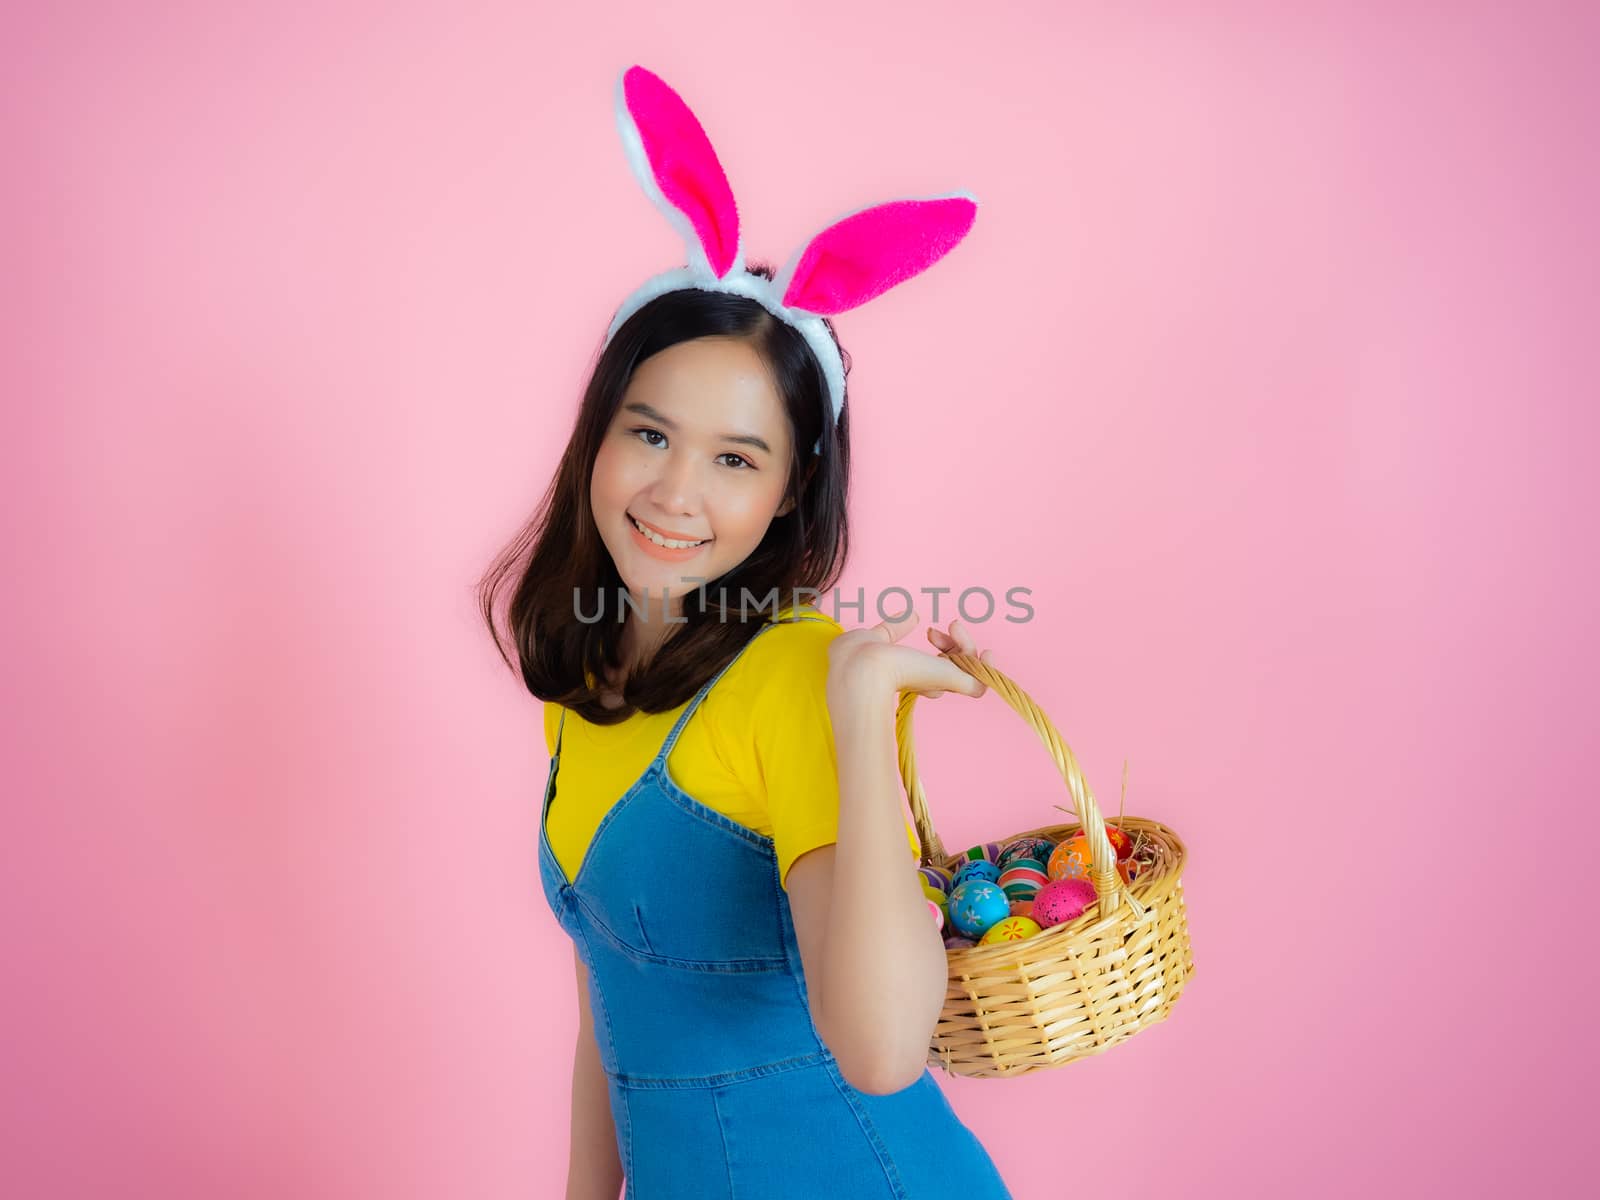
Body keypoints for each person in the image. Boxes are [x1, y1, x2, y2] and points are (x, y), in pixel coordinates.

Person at [478, 65, 1013, 1199]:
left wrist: (861, 705)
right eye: (650, 434)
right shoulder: (588, 675)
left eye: (734, 458)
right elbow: (612, 1007)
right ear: (597, 437)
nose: (676, 493)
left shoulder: (798, 681)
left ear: (786, 491)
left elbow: (878, 1052)